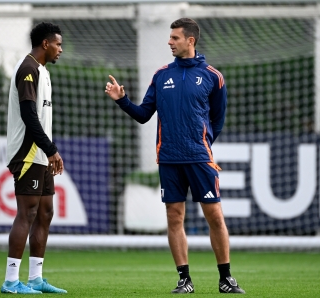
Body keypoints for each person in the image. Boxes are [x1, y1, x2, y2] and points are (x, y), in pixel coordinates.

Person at [105, 18, 245, 294]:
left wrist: (201, 144)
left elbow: (217, 120)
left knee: (214, 216)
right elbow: (144, 115)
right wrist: (122, 100)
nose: (169, 41)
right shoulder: (161, 75)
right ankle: (184, 279)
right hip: (168, 158)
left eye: (175, 38)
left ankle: (226, 278)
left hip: (199, 158)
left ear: (190, 40)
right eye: (169, 37)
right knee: (174, 217)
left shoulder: (212, 76)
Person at [1, 22, 67, 294]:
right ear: (45, 44)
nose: (60, 49)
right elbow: (29, 116)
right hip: (28, 153)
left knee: (45, 212)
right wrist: (50, 149)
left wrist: (48, 150)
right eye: (58, 44)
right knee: (26, 213)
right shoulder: (28, 69)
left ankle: (36, 278)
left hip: (40, 153)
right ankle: (11, 281)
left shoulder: (42, 71)